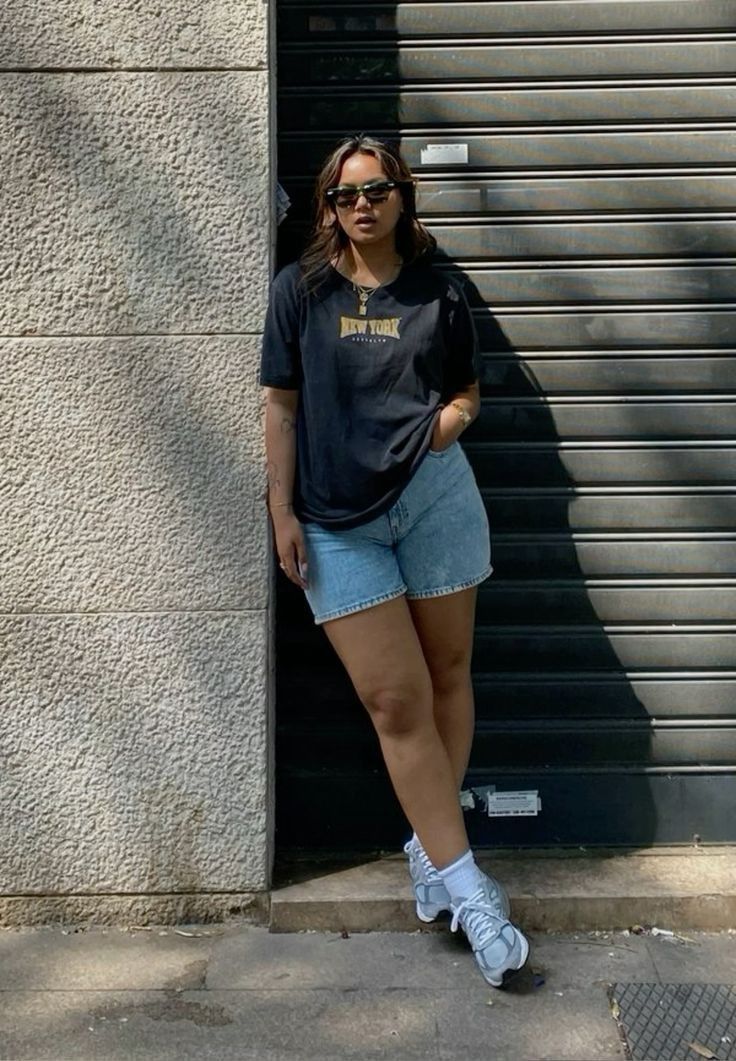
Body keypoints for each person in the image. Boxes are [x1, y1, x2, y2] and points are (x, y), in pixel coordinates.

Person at [260, 134, 529, 987]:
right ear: (327, 208)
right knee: (396, 700)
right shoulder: (300, 290)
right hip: (338, 521)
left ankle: (429, 850)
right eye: (346, 195)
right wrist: (281, 511)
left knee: (448, 675)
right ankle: (471, 889)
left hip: (436, 500)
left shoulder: (438, 288)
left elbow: (467, 390)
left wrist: (444, 429)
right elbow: (280, 406)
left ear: (402, 195)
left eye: (376, 190)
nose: (362, 205)